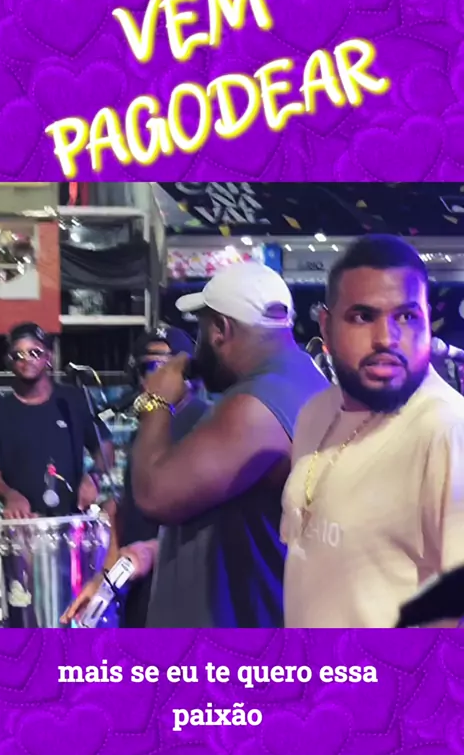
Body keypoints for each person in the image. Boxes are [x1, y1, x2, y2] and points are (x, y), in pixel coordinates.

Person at [130, 262, 329, 627]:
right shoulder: (304, 378)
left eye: (201, 328)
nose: (197, 346)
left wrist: (156, 401)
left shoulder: (255, 405)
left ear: (220, 329)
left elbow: (153, 496)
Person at [281, 235, 464, 629]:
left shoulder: (446, 430)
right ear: (327, 326)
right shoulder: (315, 413)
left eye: (406, 317)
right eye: (363, 316)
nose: (386, 338)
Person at [60, 326, 209, 627]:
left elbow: (208, 528)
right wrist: (104, 584)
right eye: (147, 367)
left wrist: (149, 553)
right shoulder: (149, 430)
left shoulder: (205, 424)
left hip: (186, 597)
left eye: (164, 366)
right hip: (142, 594)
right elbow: (127, 519)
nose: (154, 377)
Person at [0, 322, 113, 519]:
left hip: (73, 521)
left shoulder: (73, 401)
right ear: (8, 362)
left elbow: (104, 445)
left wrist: (94, 477)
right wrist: (9, 494)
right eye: (18, 354)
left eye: (34, 352)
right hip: (24, 524)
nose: (27, 360)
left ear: (48, 357)